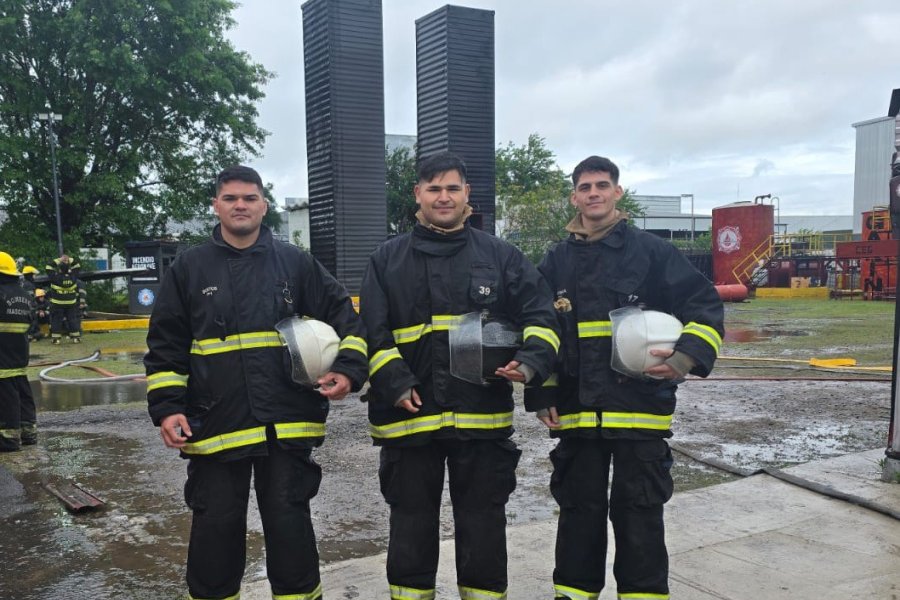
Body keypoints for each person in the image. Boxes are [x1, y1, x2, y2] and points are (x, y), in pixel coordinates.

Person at [144, 165, 369, 600]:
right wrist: (169, 408)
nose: (240, 205)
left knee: (290, 531)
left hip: (285, 424)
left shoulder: (295, 263)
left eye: (249, 198)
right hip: (213, 426)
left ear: (264, 205)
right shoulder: (190, 268)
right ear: (216, 205)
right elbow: (165, 346)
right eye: (230, 198)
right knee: (215, 533)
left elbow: (348, 321)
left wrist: (348, 370)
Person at [360, 151, 561, 599]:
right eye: (434, 188)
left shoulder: (502, 256)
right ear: (418, 194)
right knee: (410, 526)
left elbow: (542, 316)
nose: (444, 197)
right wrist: (393, 379)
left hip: (481, 419)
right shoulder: (386, 259)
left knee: (483, 525)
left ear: (467, 193)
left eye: (453, 188)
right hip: (408, 418)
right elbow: (369, 331)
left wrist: (530, 363)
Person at [525, 155, 724, 600]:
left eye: (601, 185)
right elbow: (540, 328)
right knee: (578, 514)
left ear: (617, 192)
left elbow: (704, 305)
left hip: (640, 412)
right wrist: (542, 392)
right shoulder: (556, 261)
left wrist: (682, 359)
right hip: (576, 416)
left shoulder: (651, 252)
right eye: (584, 187)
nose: (593, 193)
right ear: (574, 196)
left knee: (640, 515)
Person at [0, 251, 38, 450]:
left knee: (6, 397)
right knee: (22, 391)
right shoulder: (23, 294)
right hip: (19, 352)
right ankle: (29, 433)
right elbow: (31, 323)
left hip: (1, 355)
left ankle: (8, 439)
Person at [45, 254, 82, 344]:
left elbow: (48, 266)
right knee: (72, 319)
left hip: (57, 303)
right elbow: (77, 265)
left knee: (57, 320)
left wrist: (60, 259)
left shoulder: (55, 277)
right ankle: (76, 337)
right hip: (71, 303)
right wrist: (69, 259)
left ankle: (56, 339)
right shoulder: (73, 277)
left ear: (60, 269)